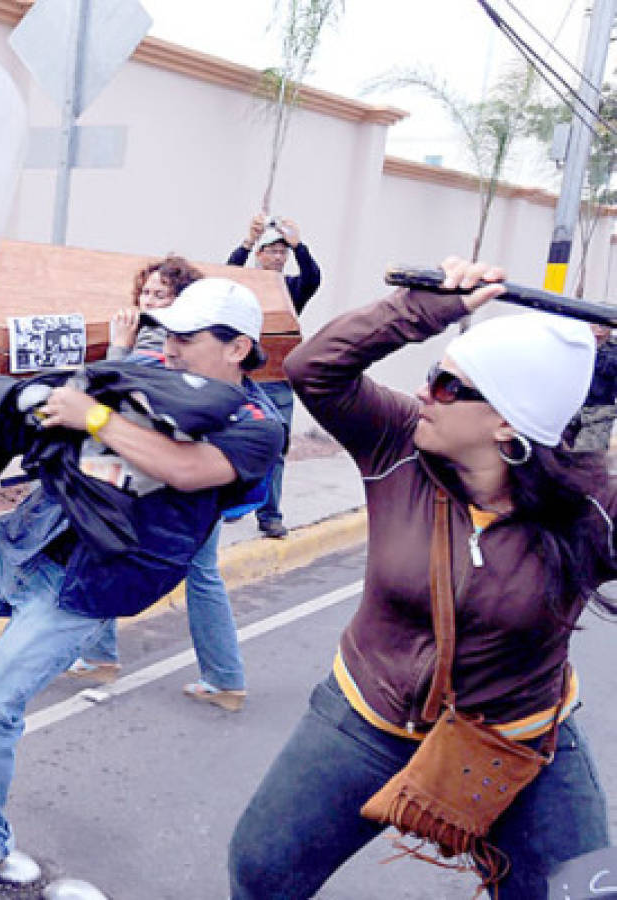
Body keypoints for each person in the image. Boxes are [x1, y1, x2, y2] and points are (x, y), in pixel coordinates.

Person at [228, 257, 616, 899]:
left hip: (518, 735)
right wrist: (435, 308)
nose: (421, 393)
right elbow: (312, 368)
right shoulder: (397, 443)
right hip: (367, 716)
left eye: (446, 386)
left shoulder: (592, 504)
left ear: (507, 422)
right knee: (262, 870)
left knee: (579, 895)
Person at [0, 278, 285, 897]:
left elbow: (183, 471)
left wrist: (95, 417)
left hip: (81, 589)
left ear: (238, 348)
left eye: (188, 337)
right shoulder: (151, 370)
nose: (173, 347)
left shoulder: (256, 426)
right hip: (21, 537)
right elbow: (83, 427)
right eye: (169, 333)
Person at [67, 256, 272, 711]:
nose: (149, 302)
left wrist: (119, 348)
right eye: (147, 293)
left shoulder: (165, 357)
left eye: (162, 296)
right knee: (180, 567)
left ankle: (213, 675)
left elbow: (109, 394)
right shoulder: (190, 356)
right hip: (178, 486)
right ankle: (219, 676)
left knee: (110, 545)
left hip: (175, 487)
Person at [227, 212, 321, 538]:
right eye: (272, 251)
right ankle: (234, 502)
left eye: (283, 252)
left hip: (277, 382)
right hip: (241, 376)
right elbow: (224, 274)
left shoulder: (292, 288)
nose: (278, 257)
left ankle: (270, 515)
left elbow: (312, 276)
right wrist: (247, 241)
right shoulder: (242, 285)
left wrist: (299, 245)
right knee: (234, 442)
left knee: (276, 447)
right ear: (260, 255)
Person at [565, 323, 617, 453]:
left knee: (587, 458)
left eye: (604, 326)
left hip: (599, 415)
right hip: (566, 409)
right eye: (593, 324)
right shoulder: (570, 342)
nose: (598, 330)